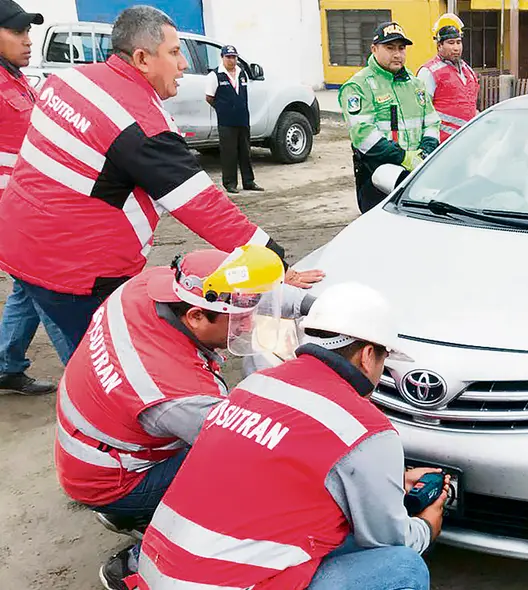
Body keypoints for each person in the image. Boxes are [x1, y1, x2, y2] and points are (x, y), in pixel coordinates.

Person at [0, 6, 310, 361]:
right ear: (142, 58)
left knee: (79, 347)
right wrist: (276, 263)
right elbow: (205, 207)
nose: (183, 65)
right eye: (175, 53)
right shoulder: (139, 126)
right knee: (105, 364)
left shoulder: (69, 80)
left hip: (22, 244)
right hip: (75, 273)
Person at [130, 282, 447, 590]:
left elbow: (284, 466)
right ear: (367, 355)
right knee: (404, 567)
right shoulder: (366, 428)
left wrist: (387, 477)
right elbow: (387, 538)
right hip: (224, 582)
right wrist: (425, 527)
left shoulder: (258, 384)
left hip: (157, 566)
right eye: (384, 359)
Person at [53, 245, 313, 589]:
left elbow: (241, 297)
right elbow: (251, 448)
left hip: (93, 445)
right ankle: (141, 563)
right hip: (114, 478)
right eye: (237, 320)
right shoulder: (178, 394)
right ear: (194, 317)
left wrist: (319, 308)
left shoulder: (149, 286)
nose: (247, 323)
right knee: (249, 485)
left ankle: (130, 511)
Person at [0, 0, 70, 396]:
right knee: (51, 288)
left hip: (26, 205)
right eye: (18, 32)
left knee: (27, 289)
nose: (29, 41)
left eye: (29, 32)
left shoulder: (18, 80)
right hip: (11, 211)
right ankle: (89, 377)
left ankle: (7, 364)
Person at [339, 21, 440, 214]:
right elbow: (363, 136)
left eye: (401, 48)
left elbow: (431, 122)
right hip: (377, 177)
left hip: (416, 173)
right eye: (390, 47)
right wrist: (403, 157)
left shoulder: (415, 84)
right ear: (374, 49)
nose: (397, 54)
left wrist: (425, 152)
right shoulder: (359, 86)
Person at [205, 44, 264, 194]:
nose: (232, 60)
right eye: (228, 57)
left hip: (243, 119)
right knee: (229, 153)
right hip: (226, 122)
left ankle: (248, 181)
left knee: (245, 152)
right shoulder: (215, 75)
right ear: (222, 57)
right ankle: (230, 183)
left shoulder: (241, 73)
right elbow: (209, 98)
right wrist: (223, 109)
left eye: (234, 57)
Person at [416, 13, 479, 142]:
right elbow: (420, 113)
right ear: (439, 46)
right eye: (451, 43)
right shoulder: (428, 72)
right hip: (442, 145)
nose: (456, 48)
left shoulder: (468, 71)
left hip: (468, 140)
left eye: (458, 42)